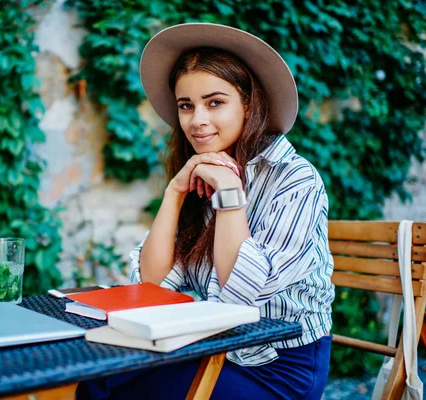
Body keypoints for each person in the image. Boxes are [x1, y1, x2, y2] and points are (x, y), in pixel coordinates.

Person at [77, 23, 335, 400]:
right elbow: (151, 285)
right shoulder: (200, 173)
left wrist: (230, 192)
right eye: (186, 105)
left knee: (134, 388)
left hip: (278, 366)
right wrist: (174, 191)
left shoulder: (296, 179)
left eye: (215, 102)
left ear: (248, 104)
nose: (196, 120)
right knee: (99, 379)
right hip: (215, 350)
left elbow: (242, 293)